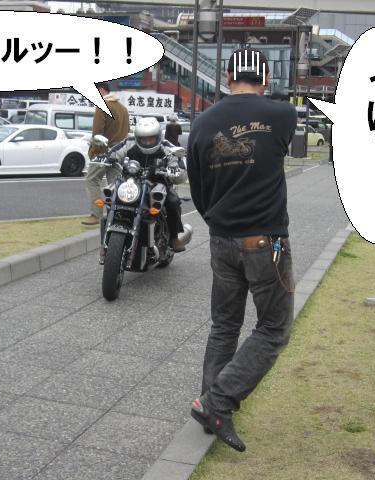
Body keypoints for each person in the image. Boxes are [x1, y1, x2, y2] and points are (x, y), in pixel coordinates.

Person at [186, 48, 298, 452]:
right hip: (264, 241)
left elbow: (197, 188)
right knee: (274, 329)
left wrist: (217, 220)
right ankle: (216, 403)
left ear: (227, 77)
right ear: (265, 78)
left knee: (224, 325)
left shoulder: (202, 123)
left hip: (221, 239)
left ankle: (210, 409)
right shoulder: (282, 115)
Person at [101, 117, 187, 252]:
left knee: (173, 201)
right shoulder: (129, 142)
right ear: (137, 137)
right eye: (143, 139)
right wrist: (107, 159)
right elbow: (114, 152)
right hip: (132, 182)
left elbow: (181, 170)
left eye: (151, 139)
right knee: (112, 197)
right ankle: (111, 233)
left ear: (158, 136)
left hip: (159, 182)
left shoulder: (168, 148)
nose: (147, 142)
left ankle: (174, 237)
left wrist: (172, 171)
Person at [82, 82, 130, 226]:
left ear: (102, 90)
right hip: (119, 152)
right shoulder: (123, 108)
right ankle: (119, 214)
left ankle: (96, 214)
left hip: (103, 152)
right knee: (115, 184)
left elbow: (97, 133)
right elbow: (127, 131)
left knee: (92, 180)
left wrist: (93, 152)